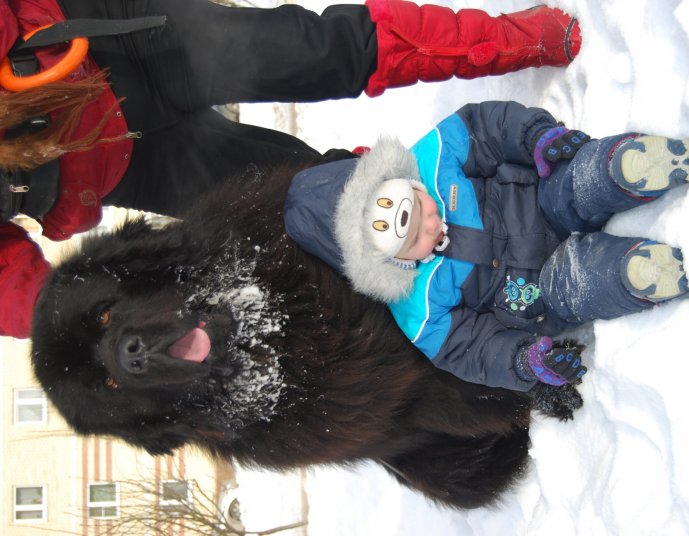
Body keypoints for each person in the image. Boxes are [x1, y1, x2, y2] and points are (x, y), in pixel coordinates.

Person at [0, 0, 583, 338]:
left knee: (320, 52)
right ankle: (463, 215)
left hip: (98, 43)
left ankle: (515, 42)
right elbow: (14, 288)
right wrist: (76, 316)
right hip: (109, 166)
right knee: (307, 207)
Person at [283, 101, 689, 392]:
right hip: (538, 293)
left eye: (419, 204)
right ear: (389, 261)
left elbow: (488, 129)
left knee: (574, 183)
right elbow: (473, 351)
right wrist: (525, 361)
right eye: (411, 238)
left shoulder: (435, 156)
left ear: (405, 181)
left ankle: (624, 167)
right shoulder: (418, 309)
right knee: (578, 279)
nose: (429, 223)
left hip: (540, 199)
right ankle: (638, 274)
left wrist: (537, 139)